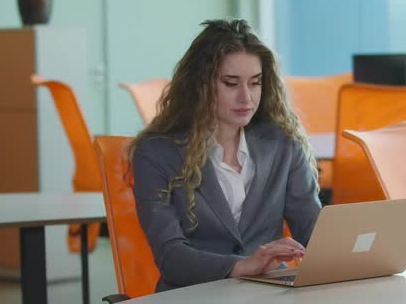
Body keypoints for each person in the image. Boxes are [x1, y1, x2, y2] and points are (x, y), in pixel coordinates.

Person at [130, 19, 322, 292]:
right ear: (200, 85)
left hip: (270, 293)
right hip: (194, 295)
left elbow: (313, 231)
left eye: (255, 83)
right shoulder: (157, 153)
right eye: (231, 83)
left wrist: (349, 253)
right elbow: (170, 256)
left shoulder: (283, 144)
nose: (246, 98)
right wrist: (242, 266)